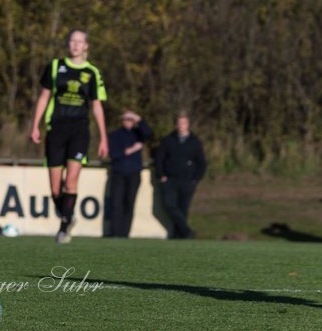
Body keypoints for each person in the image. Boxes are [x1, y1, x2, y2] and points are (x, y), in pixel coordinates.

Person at [29, 29, 108, 243]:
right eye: (72, 41)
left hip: (79, 131)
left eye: (79, 41)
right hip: (56, 129)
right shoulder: (55, 67)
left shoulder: (92, 73)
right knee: (56, 188)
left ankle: (64, 227)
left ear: (86, 46)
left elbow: (97, 106)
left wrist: (104, 138)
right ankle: (67, 214)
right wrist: (35, 125)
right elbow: (44, 98)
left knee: (70, 182)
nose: (75, 45)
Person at [154, 112, 206, 240]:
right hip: (170, 180)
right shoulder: (168, 140)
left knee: (183, 209)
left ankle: (179, 236)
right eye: (179, 123)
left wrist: (195, 179)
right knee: (169, 204)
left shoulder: (194, 142)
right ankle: (187, 231)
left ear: (187, 124)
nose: (181, 125)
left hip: (187, 181)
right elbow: (159, 159)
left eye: (183, 123)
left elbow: (202, 163)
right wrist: (161, 176)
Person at [105, 109, 153, 238]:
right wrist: (130, 150)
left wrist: (139, 118)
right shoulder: (114, 135)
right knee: (116, 203)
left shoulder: (138, 134)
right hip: (119, 173)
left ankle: (124, 233)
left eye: (131, 120)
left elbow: (149, 133)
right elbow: (113, 153)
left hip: (133, 173)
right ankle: (115, 232)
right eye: (126, 119)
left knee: (129, 203)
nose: (128, 122)